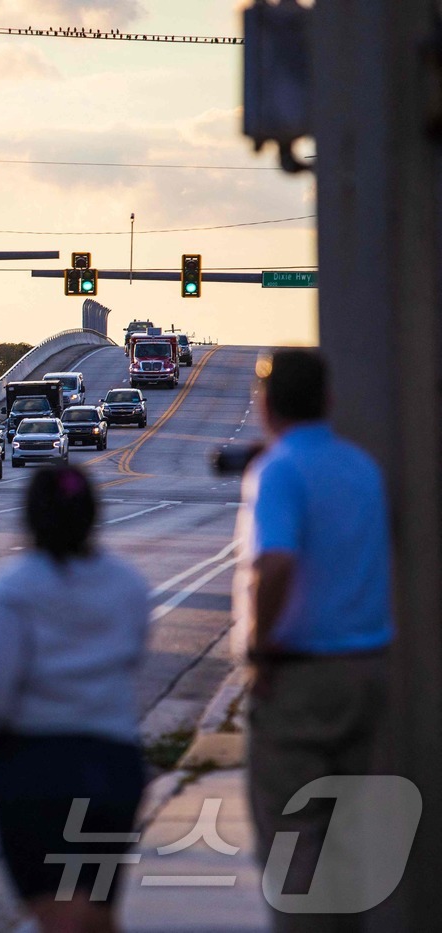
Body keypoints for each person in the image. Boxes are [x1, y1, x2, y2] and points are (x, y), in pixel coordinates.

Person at [235, 349, 392, 931]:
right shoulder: (361, 467)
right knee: (346, 846)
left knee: (295, 850)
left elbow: (273, 565)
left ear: (266, 404)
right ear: (328, 401)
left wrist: (259, 647)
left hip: (301, 679)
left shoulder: (278, 469)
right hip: (367, 669)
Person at [0, 464, 149, 933]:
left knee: (55, 911)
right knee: (98, 909)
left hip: (36, 768)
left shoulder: (16, 586)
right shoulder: (127, 584)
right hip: (114, 764)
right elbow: (134, 654)